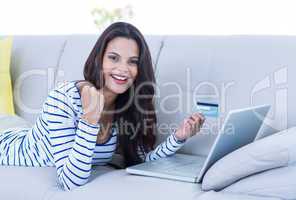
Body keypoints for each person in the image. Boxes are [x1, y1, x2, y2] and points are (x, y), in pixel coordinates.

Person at [0, 22, 205, 191]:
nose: (123, 69)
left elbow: (143, 159)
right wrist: (90, 119)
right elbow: (71, 181)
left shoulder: (125, 107)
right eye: (113, 58)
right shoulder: (63, 99)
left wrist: (179, 137)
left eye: (132, 62)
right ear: (99, 59)